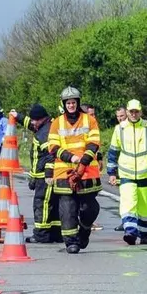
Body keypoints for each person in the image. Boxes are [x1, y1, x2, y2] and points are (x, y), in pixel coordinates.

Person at [46, 86, 102, 254]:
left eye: (73, 102)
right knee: (67, 208)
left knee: (89, 207)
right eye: (68, 103)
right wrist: (71, 158)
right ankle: (71, 242)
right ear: (64, 104)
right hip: (64, 172)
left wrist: (83, 161)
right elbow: (53, 147)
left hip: (87, 172)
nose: (71, 105)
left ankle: (84, 230)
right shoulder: (57, 122)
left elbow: (94, 143)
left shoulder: (89, 120)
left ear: (78, 103)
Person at [106, 99, 147, 245]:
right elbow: (113, 153)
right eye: (131, 112)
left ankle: (144, 234)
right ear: (127, 112)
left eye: (136, 111)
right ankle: (130, 232)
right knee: (128, 204)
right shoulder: (120, 129)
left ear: (140, 112)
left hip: (146, 175)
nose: (134, 114)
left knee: (146, 209)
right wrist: (111, 173)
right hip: (126, 176)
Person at [24, 104, 61, 244]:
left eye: (34, 120)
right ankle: (56, 234)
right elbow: (29, 124)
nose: (32, 123)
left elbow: (51, 154)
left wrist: (47, 174)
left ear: (40, 119)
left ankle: (41, 234)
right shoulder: (46, 127)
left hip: (45, 177)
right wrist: (17, 117)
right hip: (47, 175)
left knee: (42, 203)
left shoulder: (44, 133)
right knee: (54, 204)